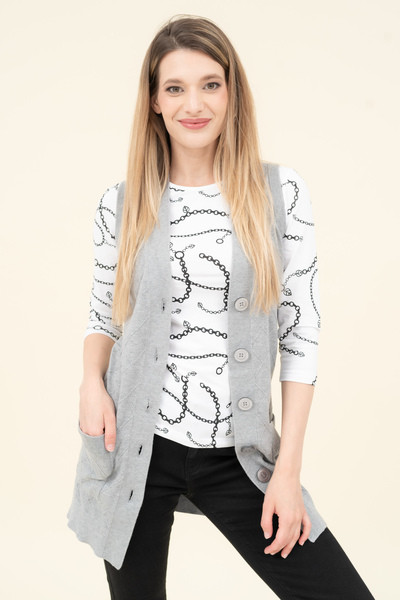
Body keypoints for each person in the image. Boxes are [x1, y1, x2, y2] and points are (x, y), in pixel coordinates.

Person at [67, 14, 375, 600]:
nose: (194, 104)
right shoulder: (122, 203)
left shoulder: (279, 193)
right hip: (135, 448)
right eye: (175, 88)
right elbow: (104, 312)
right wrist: (90, 381)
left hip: (239, 454)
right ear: (154, 101)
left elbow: (300, 335)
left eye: (210, 84)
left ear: (232, 92)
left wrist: (287, 472)